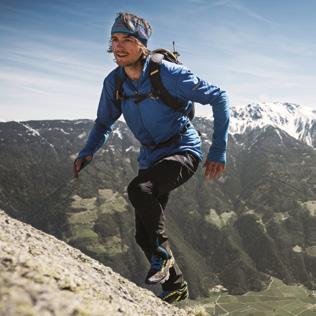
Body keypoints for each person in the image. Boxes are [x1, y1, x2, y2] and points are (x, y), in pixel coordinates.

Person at [74, 12, 230, 304]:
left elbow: (220, 96)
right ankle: (175, 287)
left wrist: (218, 149)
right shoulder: (115, 82)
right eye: (115, 40)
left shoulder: (168, 74)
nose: (119, 46)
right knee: (142, 236)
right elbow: (103, 123)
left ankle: (161, 255)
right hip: (150, 159)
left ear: (142, 45)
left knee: (140, 189)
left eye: (127, 40)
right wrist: (88, 151)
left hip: (183, 150)